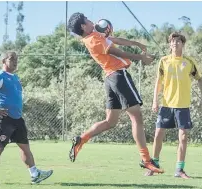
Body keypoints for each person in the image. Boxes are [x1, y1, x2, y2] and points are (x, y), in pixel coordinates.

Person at [67, 12, 164, 174]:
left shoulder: (94, 35)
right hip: (119, 75)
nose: (92, 21)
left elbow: (115, 40)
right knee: (136, 117)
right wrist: (141, 57)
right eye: (88, 20)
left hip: (110, 78)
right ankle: (146, 160)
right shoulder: (93, 40)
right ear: (83, 26)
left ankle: (81, 139)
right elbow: (117, 52)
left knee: (110, 122)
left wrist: (136, 43)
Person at [0, 52, 53, 185]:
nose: (15, 61)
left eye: (16, 59)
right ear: (4, 61)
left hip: (17, 118)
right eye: (12, 59)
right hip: (4, 118)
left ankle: (34, 174)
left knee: (25, 147)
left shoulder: (15, 77)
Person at [145, 32, 202, 178]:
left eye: (178, 41)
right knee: (158, 134)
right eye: (172, 42)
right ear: (169, 45)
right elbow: (158, 83)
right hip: (166, 105)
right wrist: (155, 100)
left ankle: (179, 170)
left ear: (183, 44)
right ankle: (154, 165)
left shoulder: (189, 62)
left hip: (183, 106)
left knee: (183, 137)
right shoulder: (164, 61)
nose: (174, 44)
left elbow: (200, 79)